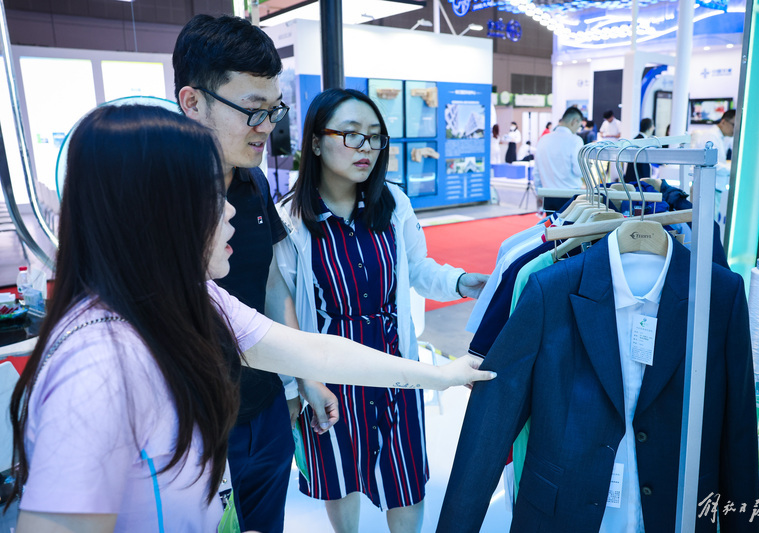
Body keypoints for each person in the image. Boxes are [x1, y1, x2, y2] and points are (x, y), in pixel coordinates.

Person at [8, 104, 494, 533]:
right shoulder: (95, 370)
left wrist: (441, 375)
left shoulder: (194, 299)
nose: (230, 213)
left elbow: (316, 352)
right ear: (155, 211)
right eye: (209, 194)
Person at [274, 88, 490, 533]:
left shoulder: (393, 203)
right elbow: (283, 303)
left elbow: (418, 268)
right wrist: (300, 381)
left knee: (405, 477)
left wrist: (461, 281)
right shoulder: (290, 219)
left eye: (375, 137)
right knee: (340, 475)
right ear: (316, 142)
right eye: (352, 135)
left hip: (396, 366)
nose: (366, 148)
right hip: (330, 374)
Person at [172, 15, 336, 532]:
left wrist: (303, 377)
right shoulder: (155, 194)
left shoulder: (254, 182)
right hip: (190, 422)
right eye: (252, 111)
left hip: (263, 407)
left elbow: (270, 282)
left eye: (275, 110)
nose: (267, 127)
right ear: (192, 101)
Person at [532, 107, 585, 212]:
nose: (578, 129)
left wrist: (539, 193)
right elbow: (578, 171)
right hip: (569, 196)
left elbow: (536, 172)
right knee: (568, 223)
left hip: (548, 195)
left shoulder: (543, 139)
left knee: (551, 222)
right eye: (579, 126)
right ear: (574, 121)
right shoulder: (575, 140)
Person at [623, 117, 656, 183]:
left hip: (632, 177)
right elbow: (642, 164)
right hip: (638, 179)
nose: (654, 128)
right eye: (653, 126)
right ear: (649, 128)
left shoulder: (636, 139)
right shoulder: (643, 141)